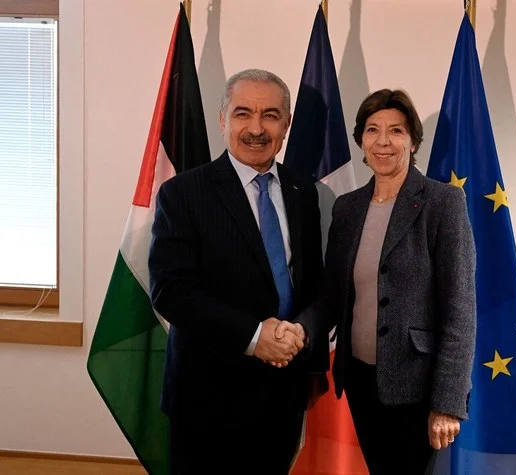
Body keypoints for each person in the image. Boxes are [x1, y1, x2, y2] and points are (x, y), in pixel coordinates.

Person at [278, 89, 477, 475]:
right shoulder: (348, 207)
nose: (383, 141)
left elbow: (460, 310)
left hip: (418, 386)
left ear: (413, 140)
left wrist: (448, 402)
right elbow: (333, 293)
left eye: (396, 131)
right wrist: (300, 328)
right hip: (362, 379)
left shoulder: (443, 203)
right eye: (372, 130)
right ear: (361, 140)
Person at [148, 68, 328, 474]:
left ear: (286, 123)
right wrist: (254, 337)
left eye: (270, 115)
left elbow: (315, 286)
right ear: (223, 119)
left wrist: (301, 331)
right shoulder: (184, 193)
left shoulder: (303, 191)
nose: (257, 129)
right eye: (244, 113)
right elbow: (171, 291)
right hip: (207, 394)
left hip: (282, 390)